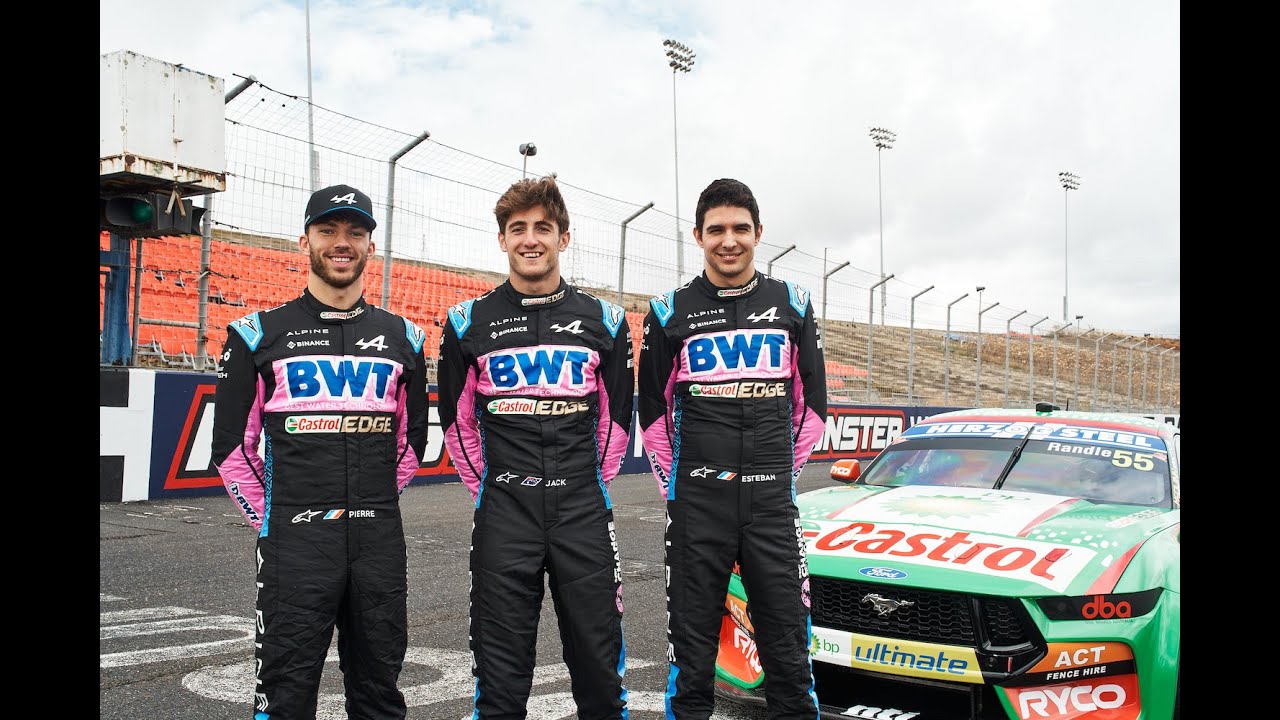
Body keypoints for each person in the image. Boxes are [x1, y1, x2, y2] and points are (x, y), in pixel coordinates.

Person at [211, 183, 430, 720]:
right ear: (304, 240)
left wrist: (370, 501)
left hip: (377, 541)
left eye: (355, 232)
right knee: (285, 693)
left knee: (380, 692)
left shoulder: (406, 338)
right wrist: (276, 517)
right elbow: (231, 451)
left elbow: (413, 444)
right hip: (294, 542)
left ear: (369, 247)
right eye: (328, 230)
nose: (342, 242)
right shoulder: (256, 334)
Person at [437, 176, 634, 719]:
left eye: (542, 228)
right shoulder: (465, 323)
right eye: (517, 229)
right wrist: (496, 488)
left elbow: (617, 422)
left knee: (600, 678)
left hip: (582, 510)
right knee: (499, 683)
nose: (530, 240)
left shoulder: (606, 321)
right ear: (502, 240)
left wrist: (583, 483)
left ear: (563, 238)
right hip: (506, 511)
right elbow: (456, 425)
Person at [637, 178, 827, 720]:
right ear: (698, 236)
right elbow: (652, 414)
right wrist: (680, 487)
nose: (729, 241)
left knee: (790, 659)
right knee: (691, 662)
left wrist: (775, 475)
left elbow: (812, 407)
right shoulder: (669, 310)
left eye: (740, 229)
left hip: (771, 507)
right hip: (698, 507)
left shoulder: (792, 303)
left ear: (758, 233)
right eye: (716, 229)